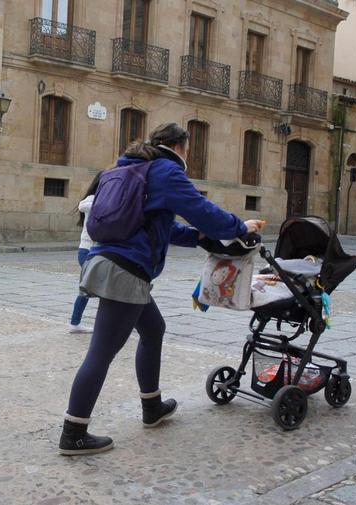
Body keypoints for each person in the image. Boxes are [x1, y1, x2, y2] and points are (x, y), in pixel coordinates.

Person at [58, 123, 264, 455]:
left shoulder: (131, 169)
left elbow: (162, 227)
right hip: (125, 270)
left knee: (154, 329)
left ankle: (151, 406)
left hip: (109, 262)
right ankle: (74, 433)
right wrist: (239, 226)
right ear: (180, 147)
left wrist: (197, 237)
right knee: (101, 352)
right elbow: (201, 210)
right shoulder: (166, 171)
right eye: (188, 149)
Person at [68, 172, 101, 334]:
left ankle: (75, 323)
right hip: (88, 251)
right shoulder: (92, 200)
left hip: (96, 252)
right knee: (93, 289)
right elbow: (83, 205)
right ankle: (75, 323)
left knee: (92, 288)